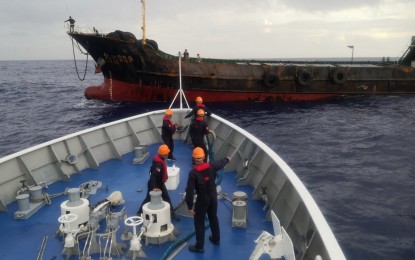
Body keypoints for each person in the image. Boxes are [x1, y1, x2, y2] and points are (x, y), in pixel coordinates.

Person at [185, 147, 231, 253]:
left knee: (199, 221)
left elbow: (189, 191)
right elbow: (221, 163)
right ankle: (216, 239)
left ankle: (199, 246)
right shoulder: (212, 165)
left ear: (194, 158)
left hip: (202, 199)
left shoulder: (193, 173)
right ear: (204, 157)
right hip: (213, 196)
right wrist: (227, 159)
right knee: (213, 217)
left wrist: (190, 207)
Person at [137, 144, 178, 220]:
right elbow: (153, 177)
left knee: (166, 198)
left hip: (160, 184)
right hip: (156, 185)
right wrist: (154, 188)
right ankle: (140, 212)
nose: (168, 153)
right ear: (164, 154)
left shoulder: (159, 159)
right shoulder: (158, 165)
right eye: (167, 153)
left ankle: (171, 214)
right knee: (149, 199)